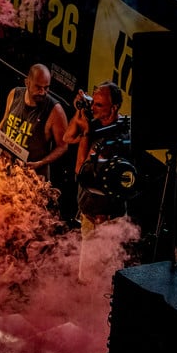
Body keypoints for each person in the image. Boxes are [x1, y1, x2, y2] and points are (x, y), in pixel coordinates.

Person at [63, 80, 131, 281]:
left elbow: (80, 169)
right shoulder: (95, 123)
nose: (94, 108)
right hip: (89, 215)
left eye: (99, 105)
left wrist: (86, 132)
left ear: (114, 107)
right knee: (86, 278)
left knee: (104, 281)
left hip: (107, 221)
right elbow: (67, 137)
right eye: (93, 103)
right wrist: (80, 112)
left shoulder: (118, 137)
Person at [0, 63, 69, 182]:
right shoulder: (15, 94)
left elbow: (63, 145)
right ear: (27, 82)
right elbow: (5, 120)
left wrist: (42, 162)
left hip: (31, 176)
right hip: (5, 168)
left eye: (46, 88)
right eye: (38, 87)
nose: (43, 92)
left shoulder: (55, 110)